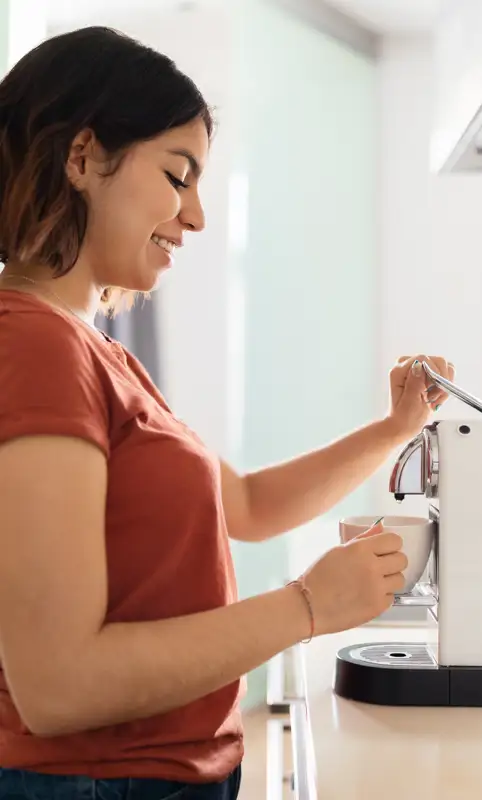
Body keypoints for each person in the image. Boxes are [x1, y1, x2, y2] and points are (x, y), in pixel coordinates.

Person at [0, 26, 455, 800]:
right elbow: (59, 687)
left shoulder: (92, 352)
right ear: (81, 158)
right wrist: (308, 606)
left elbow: (244, 504)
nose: (198, 216)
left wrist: (394, 430)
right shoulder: (38, 347)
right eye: (179, 176)